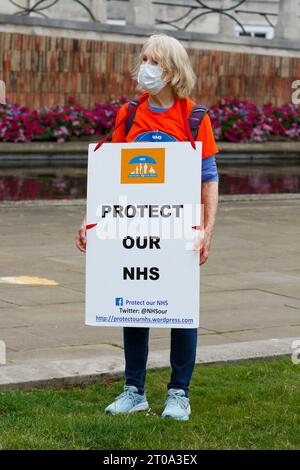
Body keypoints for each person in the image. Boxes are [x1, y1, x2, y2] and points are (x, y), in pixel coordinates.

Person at [76, 33, 219, 421]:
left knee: (180, 309)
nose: (145, 68)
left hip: (179, 228)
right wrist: (90, 221)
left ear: (172, 71)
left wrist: (207, 229)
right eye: (143, 59)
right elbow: (109, 174)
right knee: (133, 303)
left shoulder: (194, 117)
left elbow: (209, 177)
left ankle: (178, 394)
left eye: (153, 61)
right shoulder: (130, 115)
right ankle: (134, 391)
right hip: (134, 226)